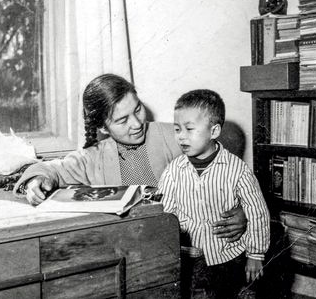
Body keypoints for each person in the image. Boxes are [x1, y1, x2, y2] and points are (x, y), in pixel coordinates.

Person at [13, 73, 247, 241]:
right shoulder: (93, 157)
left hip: (181, 242)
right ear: (103, 127)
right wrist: (36, 181)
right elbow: (52, 169)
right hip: (129, 245)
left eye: (137, 109)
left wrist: (241, 211)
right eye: (122, 120)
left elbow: (230, 136)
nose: (137, 124)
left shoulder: (170, 136)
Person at [157, 89, 270, 299]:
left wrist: (255, 254)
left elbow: (257, 213)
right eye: (177, 129)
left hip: (228, 255)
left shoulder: (237, 169)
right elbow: (166, 211)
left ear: (214, 131)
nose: (181, 136)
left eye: (190, 129)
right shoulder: (173, 170)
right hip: (190, 257)